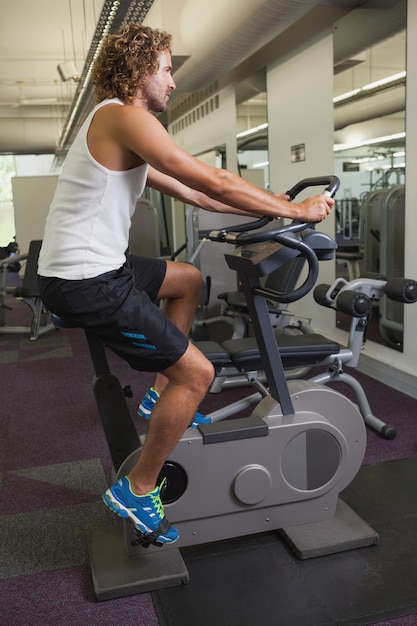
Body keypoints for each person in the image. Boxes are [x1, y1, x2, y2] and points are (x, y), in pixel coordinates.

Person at [38, 23, 334, 546]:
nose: (172, 82)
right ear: (140, 68)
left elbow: (199, 196)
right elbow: (209, 178)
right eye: (167, 69)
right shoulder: (124, 118)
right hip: (86, 280)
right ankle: (137, 488)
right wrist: (296, 210)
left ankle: (158, 396)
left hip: (102, 266)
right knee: (196, 375)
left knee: (188, 279)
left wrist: (273, 204)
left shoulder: (116, 125)